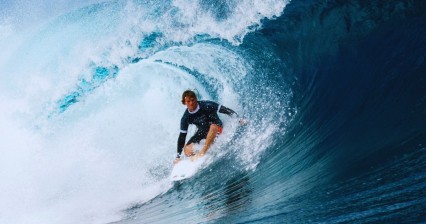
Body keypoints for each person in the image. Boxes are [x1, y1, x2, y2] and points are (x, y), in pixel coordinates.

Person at [174, 90, 243, 164]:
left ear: (196, 99)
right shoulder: (186, 117)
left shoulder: (207, 105)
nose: (191, 103)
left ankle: (202, 152)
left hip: (216, 128)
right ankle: (195, 157)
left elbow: (225, 110)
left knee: (212, 126)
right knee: (187, 149)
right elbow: (182, 137)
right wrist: (178, 157)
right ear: (184, 103)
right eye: (188, 101)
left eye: (193, 100)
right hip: (202, 132)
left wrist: (239, 119)